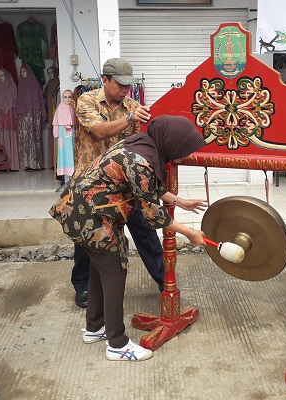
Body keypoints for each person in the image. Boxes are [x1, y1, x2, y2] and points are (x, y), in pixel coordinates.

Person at [50, 115, 208, 361]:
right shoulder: (140, 161)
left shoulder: (141, 144)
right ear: (171, 143)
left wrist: (180, 202)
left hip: (82, 210)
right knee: (114, 272)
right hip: (90, 217)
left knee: (99, 268)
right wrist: (190, 234)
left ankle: (94, 328)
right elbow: (154, 216)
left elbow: (148, 187)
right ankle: (117, 344)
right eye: (182, 150)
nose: (183, 157)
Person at [70, 57, 205, 308]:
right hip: (91, 184)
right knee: (87, 238)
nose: (124, 90)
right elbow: (99, 131)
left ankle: (165, 281)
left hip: (125, 183)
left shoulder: (133, 106)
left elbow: (140, 151)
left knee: (144, 229)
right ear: (105, 80)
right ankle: (82, 286)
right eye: (120, 84)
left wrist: (176, 199)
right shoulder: (87, 101)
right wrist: (131, 118)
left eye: (128, 86)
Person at [15, 64, 46, 170]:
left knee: (34, 137)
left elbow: (38, 100)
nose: (23, 73)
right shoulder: (21, 84)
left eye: (24, 71)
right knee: (25, 138)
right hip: (24, 117)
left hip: (34, 115)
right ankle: (26, 163)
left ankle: (36, 163)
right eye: (21, 72)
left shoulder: (34, 84)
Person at [0, 67, 20, 171]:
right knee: (3, 139)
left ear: (7, 76)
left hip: (11, 117)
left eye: (2, 75)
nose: (1, 78)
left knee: (12, 138)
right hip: (2, 119)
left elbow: (15, 102)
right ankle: (3, 165)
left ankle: (14, 165)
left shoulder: (12, 87)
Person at [53, 90, 76, 182]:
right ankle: (64, 178)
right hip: (62, 137)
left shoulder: (73, 108)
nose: (67, 99)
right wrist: (57, 135)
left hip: (71, 138)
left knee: (72, 154)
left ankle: (73, 176)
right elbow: (55, 123)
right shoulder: (59, 109)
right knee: (63, 155)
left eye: (69, 97)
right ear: (62, 98)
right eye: (65, 97)